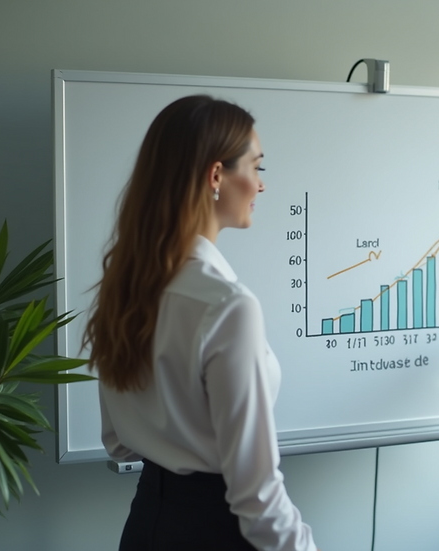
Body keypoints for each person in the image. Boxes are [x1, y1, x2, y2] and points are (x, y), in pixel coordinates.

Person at [82, 95, 318, 551]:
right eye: (257, 167)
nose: (261, 185)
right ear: (216, 176)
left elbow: (118, 444)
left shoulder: (124, 285)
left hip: (146, 524)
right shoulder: (228, 306)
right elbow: (258, 499)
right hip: (218, 531)